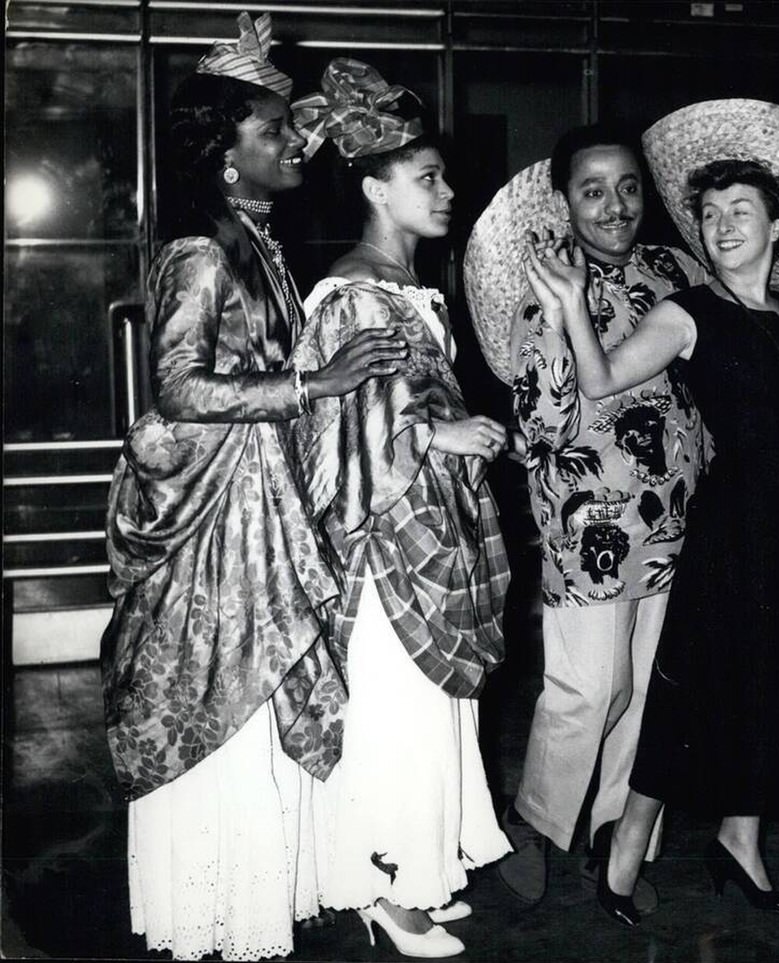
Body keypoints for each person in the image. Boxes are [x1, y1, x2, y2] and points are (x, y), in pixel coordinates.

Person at [524, 98, 779, 927]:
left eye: (739, 211)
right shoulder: (689, 314)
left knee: (776, 692)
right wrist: (576, 304)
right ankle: (622, 850)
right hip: (734, 531)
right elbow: (605, 378)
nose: (720, 226)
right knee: (690, 700)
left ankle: (739, 840)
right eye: (709, 214)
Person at [101, 15, 406, 961]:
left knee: (265, 682)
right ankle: (212, 910)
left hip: (259, 490)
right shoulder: (201, 251)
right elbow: (179, 386)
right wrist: (318, 383)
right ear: (227, 157)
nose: (294, 144)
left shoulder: (255, 240)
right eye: (272, 131)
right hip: (214, 511)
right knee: (221, 686)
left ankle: (260, 896)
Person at [288, 58, 513, 958]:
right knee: (396, 709)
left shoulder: (409, 290)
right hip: (384, 545)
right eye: (429, 179)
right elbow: (335, 430)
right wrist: (438, 438)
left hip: (430, 530)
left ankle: (423, 868)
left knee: (429, 710)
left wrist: (454, 428)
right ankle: (384, 887)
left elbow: (404, 401)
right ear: (377, 188)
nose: (449, 191)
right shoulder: (351, 293)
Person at [462, 125, 709, 912]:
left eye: (628, 187)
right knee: (588, 687)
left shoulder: (675, 269)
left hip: (673, 512)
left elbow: (705, 384)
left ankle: (615, 830)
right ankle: (536, 819)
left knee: (645, 689)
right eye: (593, 189)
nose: (614, 205)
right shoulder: (547, 286)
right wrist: (569, 315)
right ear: (565, 200)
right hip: (587, 523)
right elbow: (542, 423)